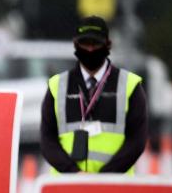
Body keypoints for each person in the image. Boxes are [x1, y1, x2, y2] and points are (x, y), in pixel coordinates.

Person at [40, 16, 148, 173]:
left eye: (96, 43)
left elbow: (136, 141)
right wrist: (73, 173)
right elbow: (47, 140)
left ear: (108, 45)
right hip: (67, 186)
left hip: (114, 187)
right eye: (85, 43)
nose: (90, 49)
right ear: (75, 45)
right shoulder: (57, 85)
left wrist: (104, 178)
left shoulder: (130, 86)